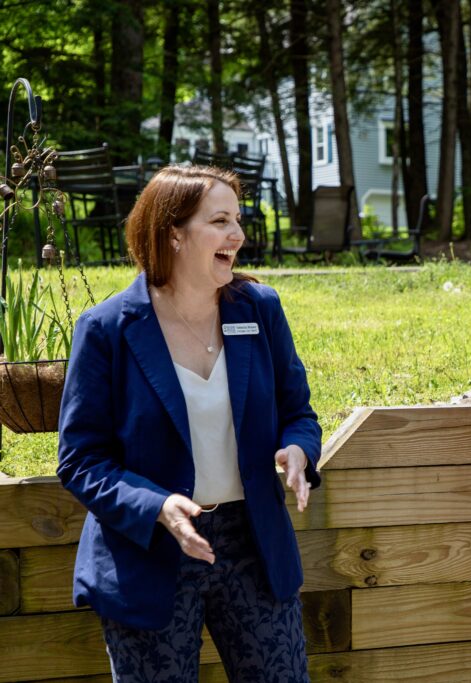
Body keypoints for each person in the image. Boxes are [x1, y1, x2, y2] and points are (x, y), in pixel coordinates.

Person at [57, 165, 322, 682]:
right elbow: (81, 460)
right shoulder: (107, 329)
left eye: (239, 220)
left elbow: (298, 413)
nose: (238, 235)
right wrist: (157, 506)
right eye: (220, 221)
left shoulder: (260, 309)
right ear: (173, 233)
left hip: (253, 543)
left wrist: (298, 450)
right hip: (150, 553)